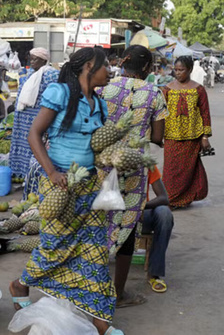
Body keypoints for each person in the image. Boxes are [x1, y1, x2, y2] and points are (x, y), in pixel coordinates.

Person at [10, 48, 123, 335]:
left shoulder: (100, 104)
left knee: (96, 251)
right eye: (106, 65)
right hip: (59, 185)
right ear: (88, 66)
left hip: (89, 186)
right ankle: (21, 284)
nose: (109, 71)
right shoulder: (59, 93)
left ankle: (101, 322)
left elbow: (96, 147)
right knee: (55, 245)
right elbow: (34, 134)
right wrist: (51, 172)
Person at [95, 45, 168, 307]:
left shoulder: (103, 88)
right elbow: (158, 137)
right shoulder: (155, 93)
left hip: (102, 166)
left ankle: (92, 286)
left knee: (99, 223)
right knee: (127, 227)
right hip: (134, 172)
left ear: (122, 62)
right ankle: (118, 293)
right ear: (148, 68)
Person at [162, 56, 212, 208]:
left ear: (189, 70)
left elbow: (205, 113)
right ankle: (170, 199)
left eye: (181, 70)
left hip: (192, 137)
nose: (178, 73)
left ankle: (183, 199)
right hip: (171, 136)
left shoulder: (198, 89)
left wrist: (205, 136)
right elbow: (161, 113)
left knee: (187, 170)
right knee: (170, 170)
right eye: (176, 70)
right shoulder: (167, 89)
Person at [9, 48, 59, 181]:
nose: (31, 61)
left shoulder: (51, 75)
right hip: (23, 121)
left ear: (43, 60)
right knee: (25, 148)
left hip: (39, 119)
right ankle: (26, 178)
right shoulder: (29, 74)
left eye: (35, 59)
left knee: (39, 149)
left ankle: (39, 178)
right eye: (30, 58)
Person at [142, 166, 174, 293]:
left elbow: (163, 198)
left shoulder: (147, 165)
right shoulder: (110, 164)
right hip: (116, 215)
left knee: (164, 213)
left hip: (141, 214)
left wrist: (141, 207)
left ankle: (154, 273)